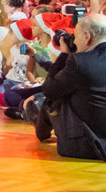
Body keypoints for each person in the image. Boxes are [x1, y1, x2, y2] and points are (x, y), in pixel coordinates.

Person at [29, 14, 106, 158]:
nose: (74, 41)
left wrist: (64, 54)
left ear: (87, 36)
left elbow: (49, 90)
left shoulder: (80, 62)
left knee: (53, 99)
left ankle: (37, 123)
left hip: (86, 147)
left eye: (76, 36)